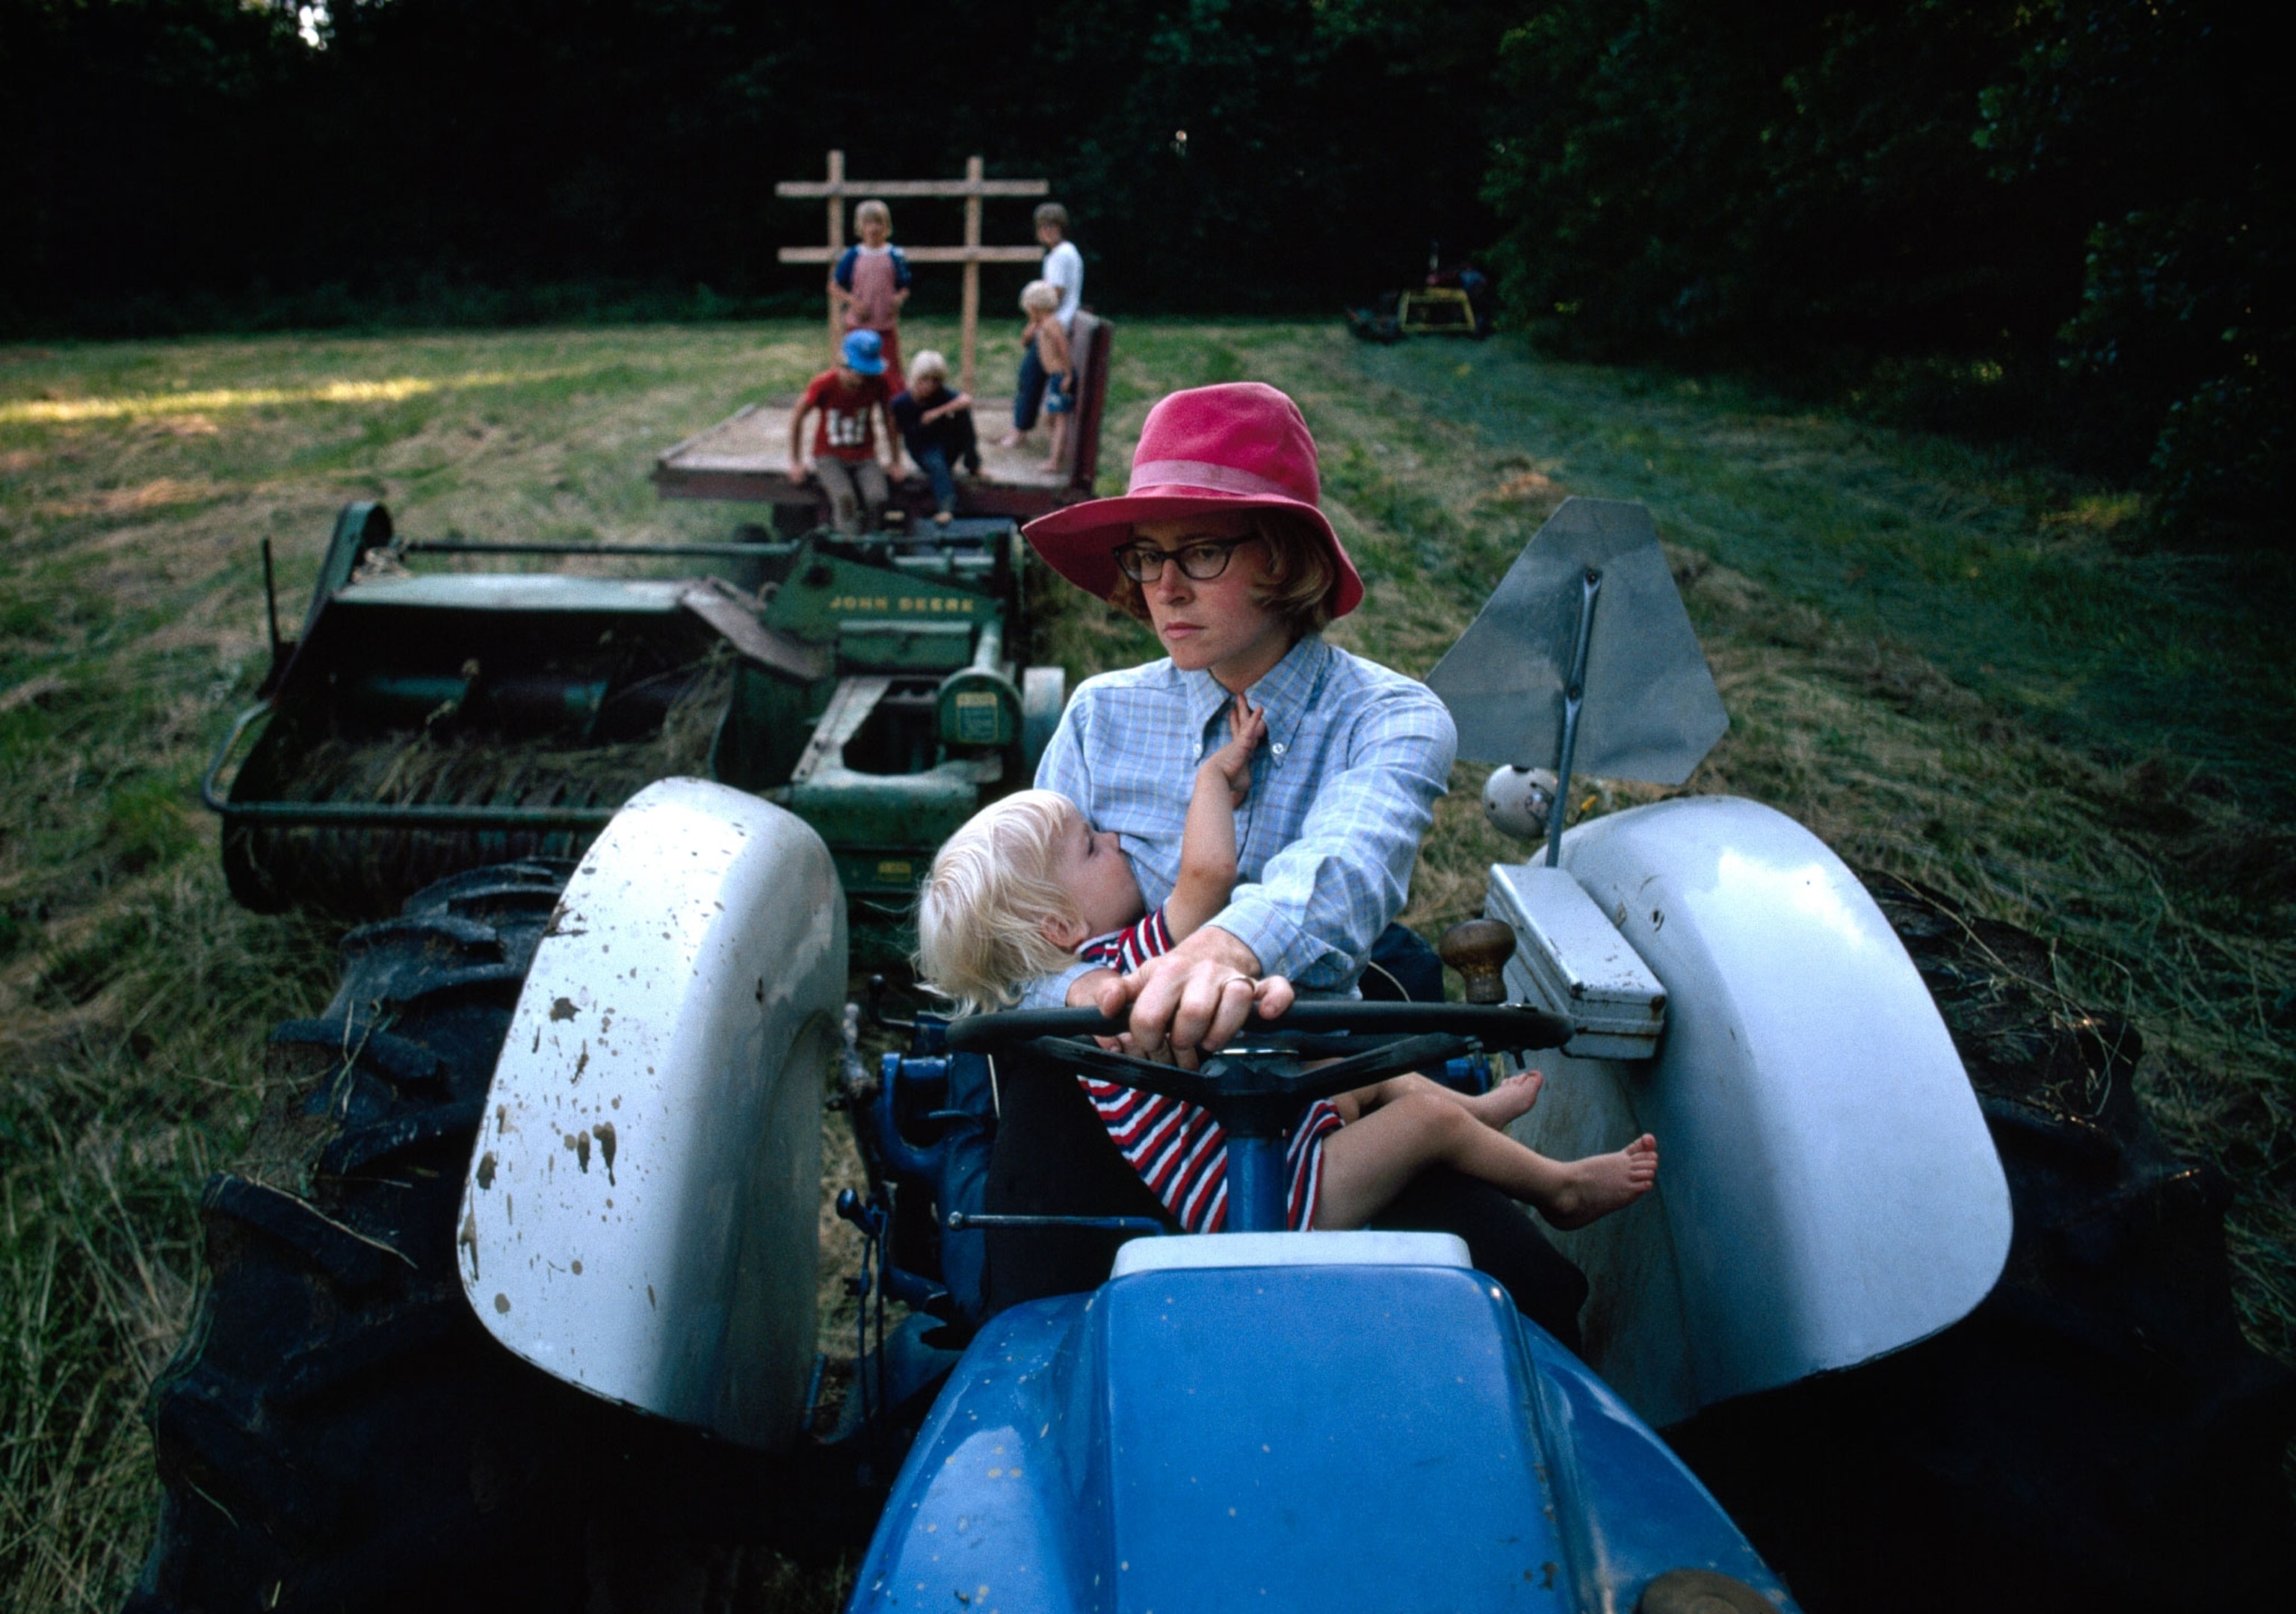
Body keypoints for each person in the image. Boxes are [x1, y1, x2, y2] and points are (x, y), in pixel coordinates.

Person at [981, 380, 1596, 1344]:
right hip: (1106, 1094)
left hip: (1309, 1091)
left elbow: (1347, 867)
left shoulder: (1388, 720)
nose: (1162, 589)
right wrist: (1096, 997)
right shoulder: (1102, 718)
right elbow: (1022, 926)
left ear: (1289, 559)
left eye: (1201, 552)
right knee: (1030, 1336)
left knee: (1528, 1316)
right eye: (1145, 558)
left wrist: (1222, 953)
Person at [914, 708, 1660, 1237]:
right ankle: (1558, 1188)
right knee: (1421, 1118)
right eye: (1092, 847)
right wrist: (1215, 778)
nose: (1114, 838)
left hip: (1261, 1159)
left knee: (1352, 1067)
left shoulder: (1083, 989)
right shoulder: (1136, 967)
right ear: (1062, 929)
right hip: (1270, 1201)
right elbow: (1206, 876)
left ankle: (1477, 1118)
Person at [788, 330, 903, 534]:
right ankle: (849, 544)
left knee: (878, 498)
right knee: (844, 499)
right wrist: (796, 462)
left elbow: (890, 420)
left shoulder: (879, 383)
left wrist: (895, 461)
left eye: (867, 373)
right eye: (856, 371)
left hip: (865, 455)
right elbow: (798, 416)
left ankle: (871, 541)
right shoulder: (824, 384)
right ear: (844, 364)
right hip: (829, 456)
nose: (862, 379)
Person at [997, 201, 1082, 448]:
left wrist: (1033, 326)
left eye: (1052, 226)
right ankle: (1020, 428)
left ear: (1061, 227)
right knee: (1029, 376)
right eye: (1042, 227)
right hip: (1053, 323)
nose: (1047, 231)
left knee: (1029, 376)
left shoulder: (1062, 255)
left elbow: (1052, 296)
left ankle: (1019, 431)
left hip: (1052, 326)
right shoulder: (1062, 253)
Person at [889, 349, 981, 524]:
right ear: (915, 378)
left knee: (962, 415)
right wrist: (896, 463)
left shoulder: (941, 394)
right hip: (923, 449)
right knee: (936, 461)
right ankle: (947, 507)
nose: (930, 386)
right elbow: (895, 434)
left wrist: (937, 413)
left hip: (945, 445)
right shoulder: (901, 403)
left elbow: (966, 400)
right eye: (924, 380)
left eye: (935, 381)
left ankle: (974, 464)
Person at [829, 199, 911, 387]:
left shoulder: (894, 254)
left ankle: (893, 414)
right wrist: (853, 302)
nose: (873, 228)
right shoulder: (854, 255)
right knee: (854, 374)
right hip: (858, 326)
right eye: (868, 223)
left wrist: (898, 299)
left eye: (878, 222)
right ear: (861, 226)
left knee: (892, 376)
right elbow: (833, 286)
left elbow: (905, 286)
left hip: (885, 326)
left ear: (886, 225)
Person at [1016, 281, 1074, 473]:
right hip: (1054, 377)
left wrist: (1068, 375)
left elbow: (1063, 348)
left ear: (1034, 308)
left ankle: (1055, 461)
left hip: (1060, 376)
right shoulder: (1041, 325)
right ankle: (1056, 454)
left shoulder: (1051, 324)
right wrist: (1031, 329)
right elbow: (1024, 342)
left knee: (1057, 418)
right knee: (1049, 417)